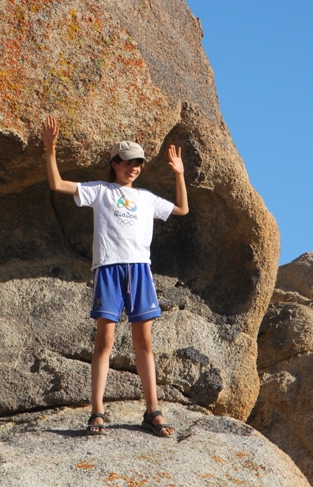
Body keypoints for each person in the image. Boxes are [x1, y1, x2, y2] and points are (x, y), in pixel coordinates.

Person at [43, 114, 188, 438]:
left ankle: (153, 412)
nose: (132, 168)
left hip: (139, 269)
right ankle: (97, 411)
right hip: (109, 268)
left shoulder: (146, 198)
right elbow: (57, 184)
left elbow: (181, 210)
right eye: (126, 163)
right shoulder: (100, 191)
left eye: (137, 163)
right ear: (114, 163)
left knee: (144, 342)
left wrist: (179, 175)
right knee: (104, 340)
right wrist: (50, 150)